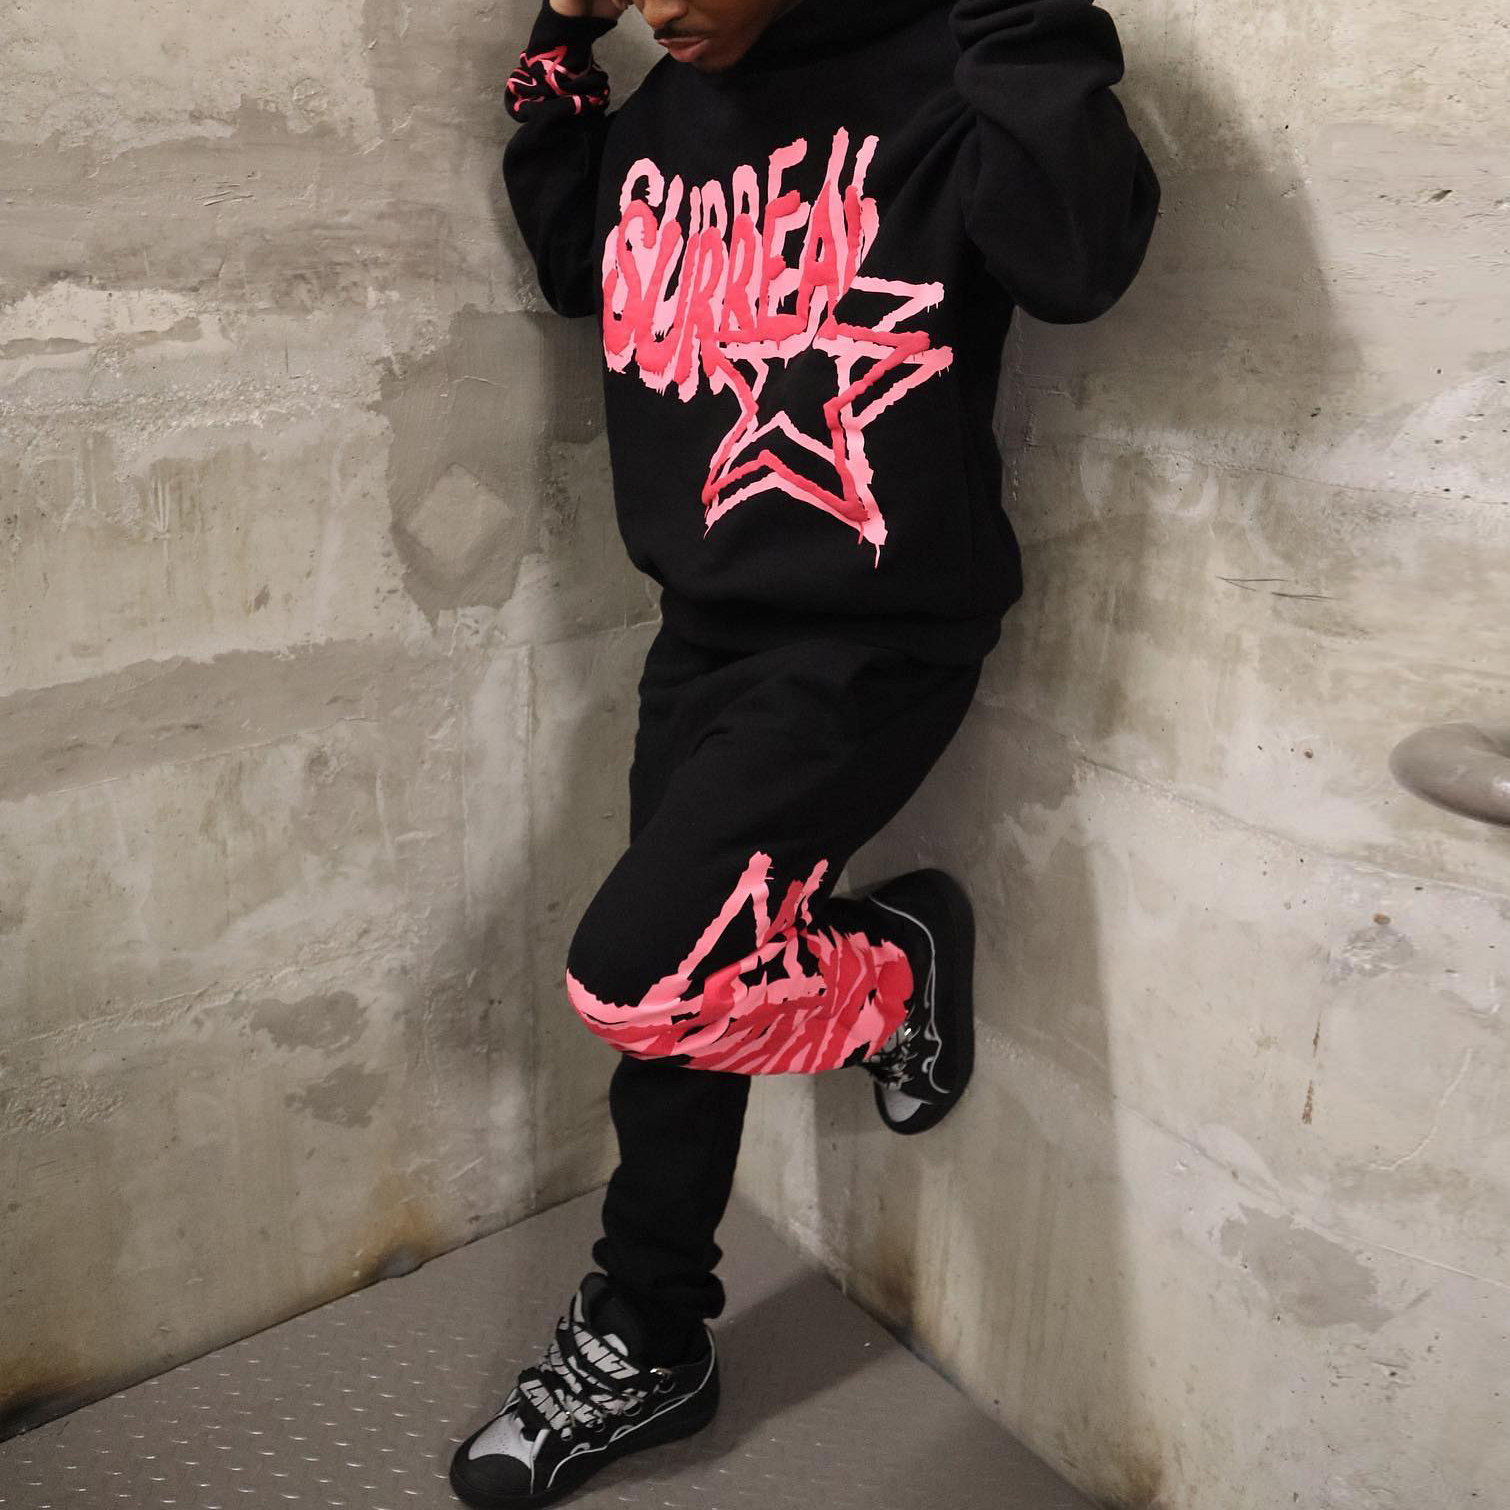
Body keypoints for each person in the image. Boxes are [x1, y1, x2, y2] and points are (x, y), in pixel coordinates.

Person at [449, 0, 1160, 1503]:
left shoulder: (944, 73)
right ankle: (648, 1332)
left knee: (640, 975)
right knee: (671, 1020)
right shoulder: (662, 112)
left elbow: (1081, 258)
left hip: (870, 644)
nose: (664, 6)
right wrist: (560, 40)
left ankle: (890, 966)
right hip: (700, 629)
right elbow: (578, 265)